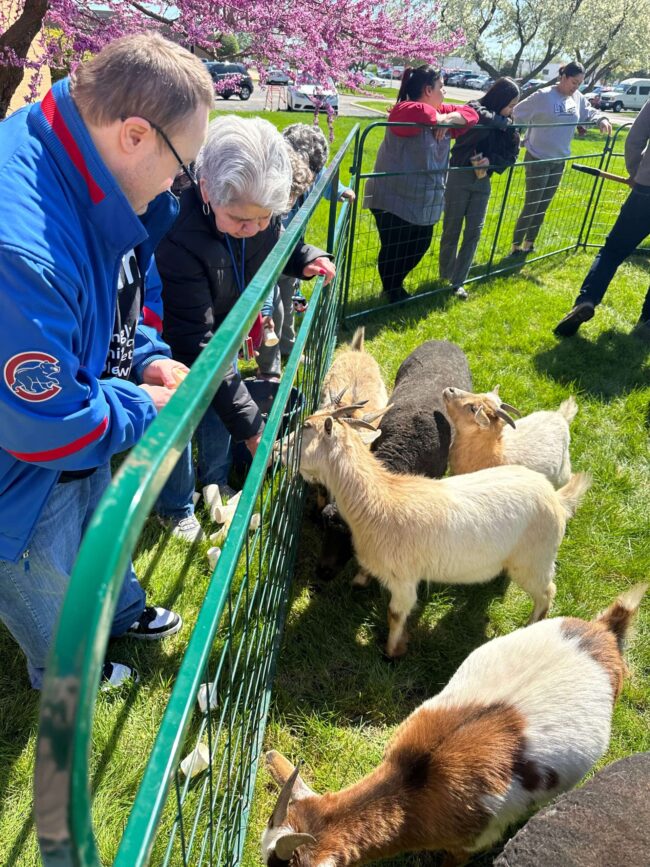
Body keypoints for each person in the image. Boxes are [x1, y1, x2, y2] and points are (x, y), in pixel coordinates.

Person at [0, 34, 214, 689]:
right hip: (22, 476)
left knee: (102, 518)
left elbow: (122, 288)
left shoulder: (91, 177)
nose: (181, 183)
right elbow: (44, 425)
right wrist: (139, 405)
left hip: (85, 417)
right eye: (183, 162)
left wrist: (144, 358)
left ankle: (120, 610)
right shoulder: (22, 247)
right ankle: (64, 668)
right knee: (46, 574)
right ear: (134, 135)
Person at [155, 115, 334, 537]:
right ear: (206, 191)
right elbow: (197, 344)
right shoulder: (178, 234)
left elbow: (269, 241)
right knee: (179, 413)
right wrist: (254, 428)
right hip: (183, 340)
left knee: (225, 402)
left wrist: (301, 255)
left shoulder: (252, 209)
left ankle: (214, 478)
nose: (252, 228)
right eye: (240, 220)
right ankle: (175, 504)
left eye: (264, 217)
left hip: (226, 323)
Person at [362, 65, 478, 303]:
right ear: (428, 90)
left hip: (418, 198)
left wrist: (448, 119)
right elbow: (421, 114)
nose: (444, 92)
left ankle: (393, 286)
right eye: (441, 87)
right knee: (394, 246)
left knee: (420, 243)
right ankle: (392, 291)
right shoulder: (404, 110)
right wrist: (443, 118)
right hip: (390, 196)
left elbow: (472, 114)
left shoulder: (439, 113)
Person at [554, 99, 650, 339]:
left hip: (645, 190)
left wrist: (637, 173)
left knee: (612, 251)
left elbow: (634, 140)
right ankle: (648, 322)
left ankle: (586, 300)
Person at [269, 123, 355, 362]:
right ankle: (268, 366)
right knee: (271, 306)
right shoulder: (272, 177)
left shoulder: (312, 172)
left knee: (286, 298)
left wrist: (341, 191)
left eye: (313, 174)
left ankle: (287, 346)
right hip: (268, 252)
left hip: (292, 249)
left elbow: (325, 180)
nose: (308, 180)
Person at [509, 61, 612, 256]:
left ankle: (529, 244)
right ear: (563, 77)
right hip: (538, 158)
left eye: (580, 83)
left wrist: (601, 119)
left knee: (543, 206)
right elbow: (516, 113)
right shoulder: (543, 96)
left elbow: (589, 111)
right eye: (574, 82)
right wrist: (517, 137)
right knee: (532, 204)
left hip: (559, 160)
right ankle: (515, 246)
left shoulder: (577, 97)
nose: (576, 87)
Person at [439, 78, 521, 298]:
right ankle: (445, 274)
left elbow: (511, 156)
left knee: (474, 231)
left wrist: (490, 161)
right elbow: (475, 113)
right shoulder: (475, 109)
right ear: (499, 98)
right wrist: (498, 122)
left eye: (515, 106)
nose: (512, 110)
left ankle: (458, 282)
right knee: (452, 227)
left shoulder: (509, 125)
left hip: (483, 180)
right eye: (510, 104)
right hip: (460, 175)